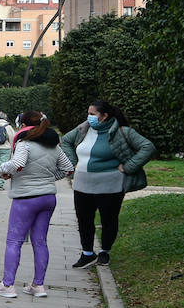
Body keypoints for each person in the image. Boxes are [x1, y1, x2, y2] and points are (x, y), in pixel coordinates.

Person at [0, 110, 75, 298]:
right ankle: (38, 286)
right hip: (48, 198)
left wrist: (4, 169)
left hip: (26, 199)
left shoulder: (24, 144)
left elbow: (17, 164)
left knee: (14, 241)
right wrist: (50, 179)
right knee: (40, 241)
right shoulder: (54, 146)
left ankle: (7, 286)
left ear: (23, 125)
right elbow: (68, 168)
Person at [60, 99, 155, 268]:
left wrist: (128, 167)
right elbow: (65, 141)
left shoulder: (122, 131)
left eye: (92, 114)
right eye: (88, 113)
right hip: (82, 183)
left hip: (110, 184)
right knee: (83, 219)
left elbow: (147, 147)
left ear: (104, 116)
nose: (89, 117)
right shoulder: (83, 129)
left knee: (108, 219)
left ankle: (105, 251)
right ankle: (87, 253)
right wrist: (73, 163)